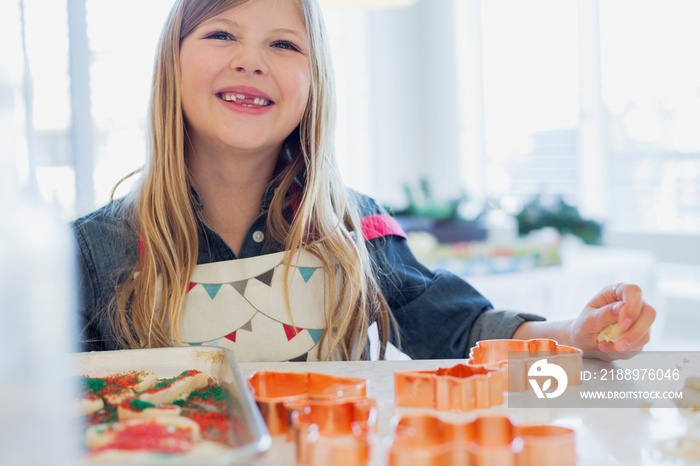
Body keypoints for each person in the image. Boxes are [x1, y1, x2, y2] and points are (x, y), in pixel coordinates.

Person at [72, 0, 655, 362]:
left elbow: (465, 332)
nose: (251, 60)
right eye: (221, 34)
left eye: (283, 44)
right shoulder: (89, 251)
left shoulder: (356, 229)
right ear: (170, 66)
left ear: (314, 84)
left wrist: (575, 335)